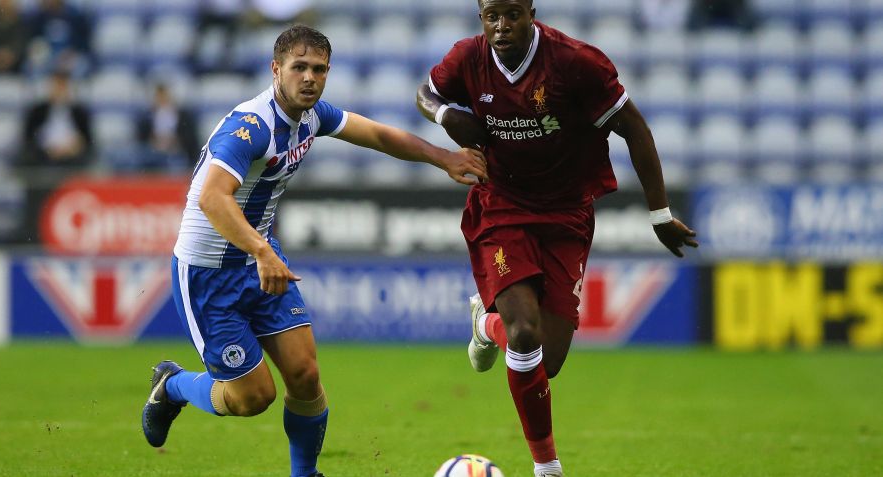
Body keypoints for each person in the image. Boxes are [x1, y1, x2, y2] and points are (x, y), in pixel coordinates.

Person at [141, 25, 487, 477]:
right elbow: (212, 198)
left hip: (260, 257)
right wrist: (261, 251)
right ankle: (173, 386)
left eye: (319, 69)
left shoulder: (312, 115)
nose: (309, 77)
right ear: (275, 69)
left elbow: (377, 135)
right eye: (299, 67)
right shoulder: (250, 128)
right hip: (208, 272)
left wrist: (444, 158)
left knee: (305, 375)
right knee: (252, 398)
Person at [415, 1, 698, 476]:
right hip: (502, 206)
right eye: (491, 16)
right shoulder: (468, 58)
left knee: (546, 361)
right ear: (481, 17)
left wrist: (660, 213)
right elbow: (424, 93)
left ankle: (486, 323)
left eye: (512, 14)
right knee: (524, 334)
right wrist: (444, 114)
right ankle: (547, 468)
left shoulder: (575, 63)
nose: (501, 26)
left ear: (531, 11)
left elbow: (634, 127)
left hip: (567, 213)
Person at [20, 70, 92, 167]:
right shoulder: (37, 111)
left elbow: (88, 139)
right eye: (56, 86)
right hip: (43, 156)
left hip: (73, 156)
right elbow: (29, 137)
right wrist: (47, 149)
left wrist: (76, 146)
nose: (59, 91)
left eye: (63, 87)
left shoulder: (79, 113)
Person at [135, 83, 199, 172]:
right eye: (159, 97)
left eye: (164, 96)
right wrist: (153, 141)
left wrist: (176, 141)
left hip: (176, 152)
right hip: (153, 152)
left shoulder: (183, 116)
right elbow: (141, 137)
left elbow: (191, 138)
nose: (162, 99)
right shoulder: (147, 117)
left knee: (177, 161)